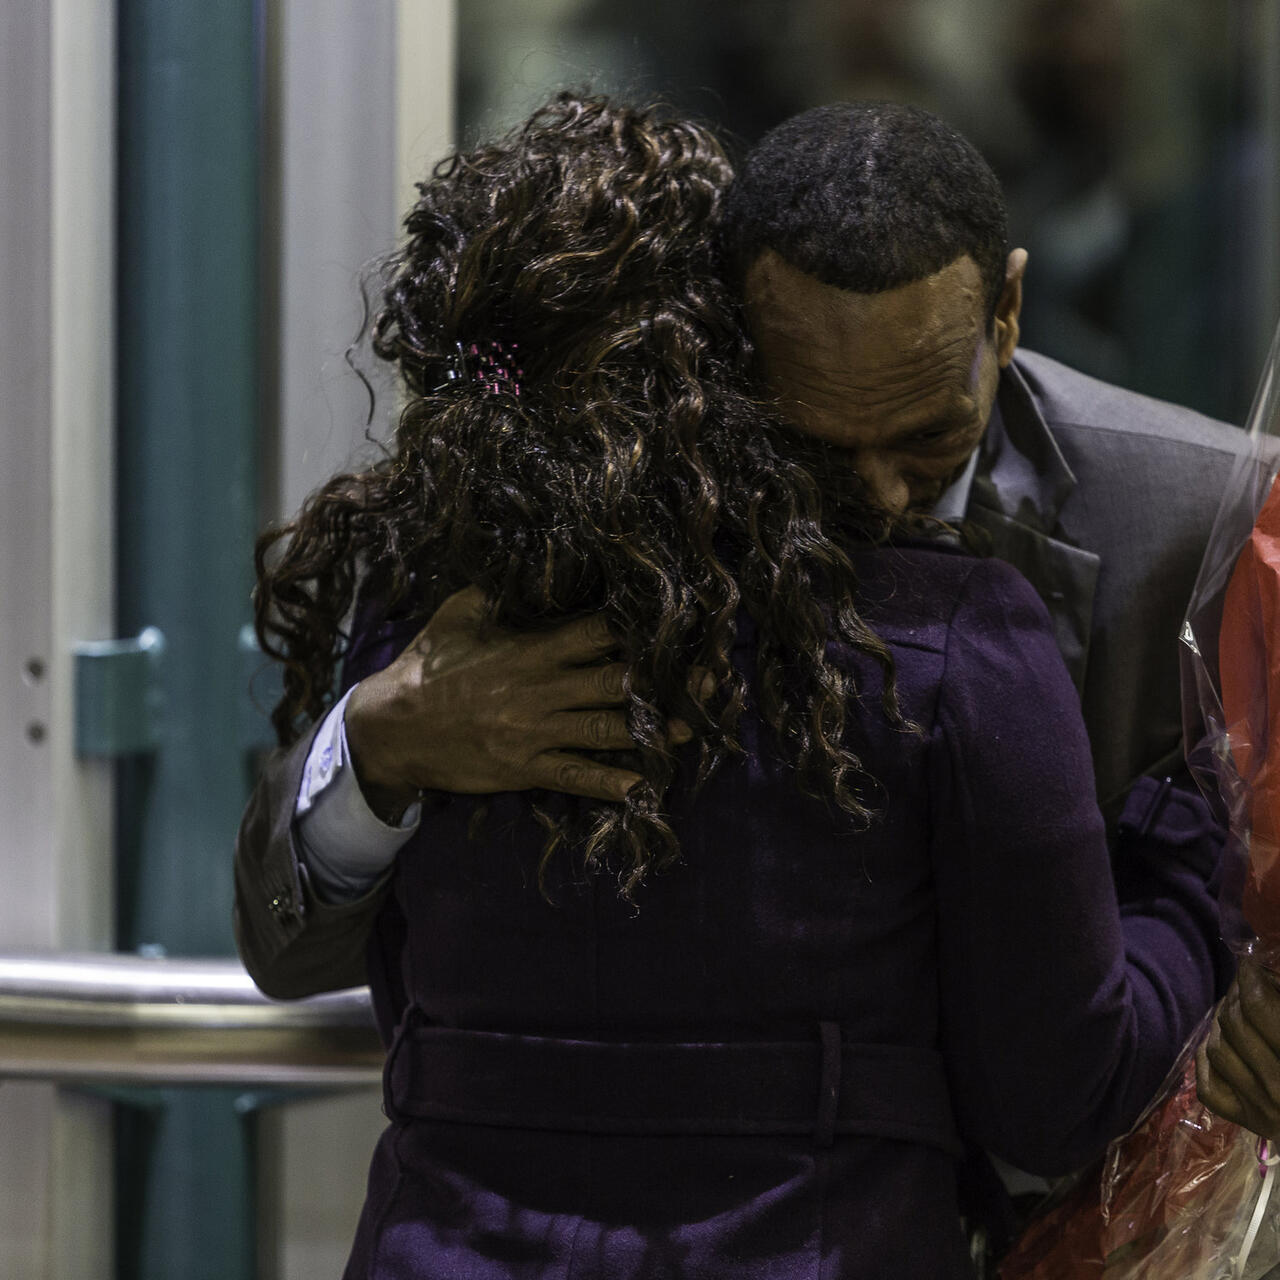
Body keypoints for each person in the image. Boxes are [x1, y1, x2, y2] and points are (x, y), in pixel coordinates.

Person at [237, 92, 1229, 1278]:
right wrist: (382, 742)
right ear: (725, 344)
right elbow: (287, 942)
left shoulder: (1199, 517)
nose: (874, 499)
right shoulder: (472, 579)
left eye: (924, 438)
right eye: (812, 441)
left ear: (1004, 309)